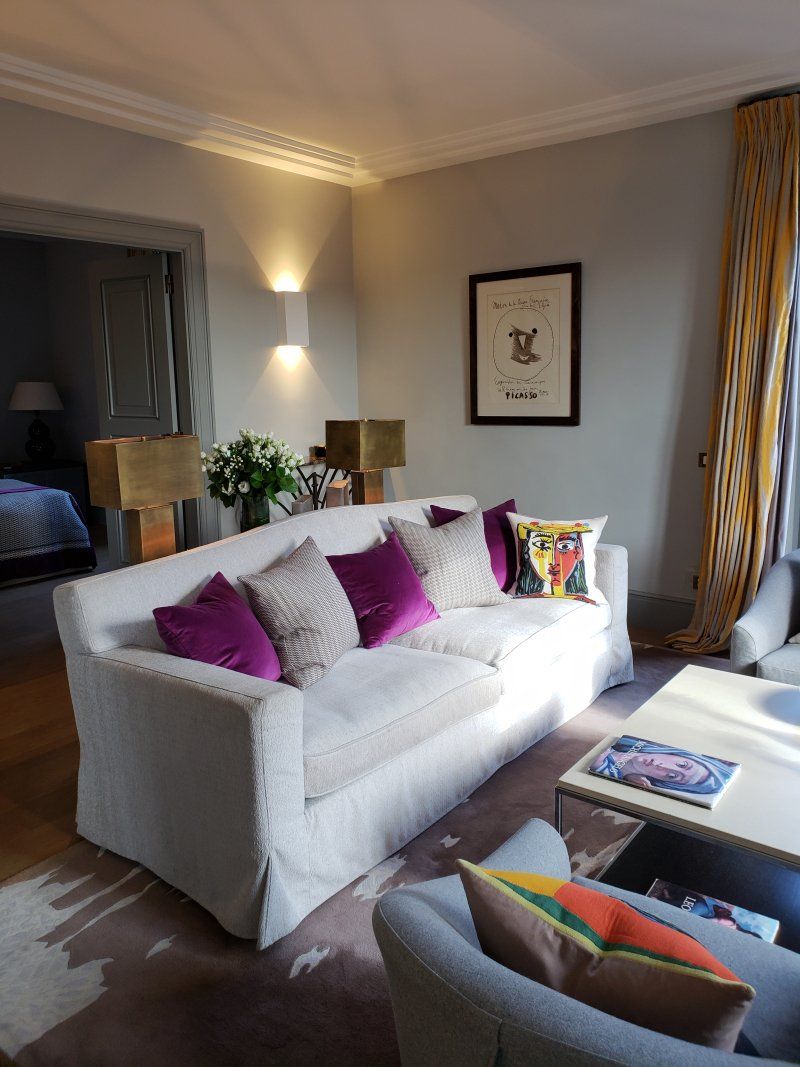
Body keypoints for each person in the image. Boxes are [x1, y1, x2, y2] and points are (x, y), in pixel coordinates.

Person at [590, 737, 733, 798]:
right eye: (682, 764)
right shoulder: (631, 742)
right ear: (679, 754)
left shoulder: (605, 768)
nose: (661, 766)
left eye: (672, 776)